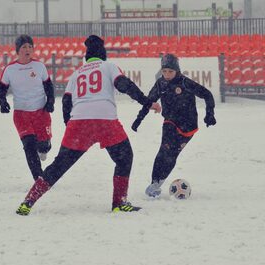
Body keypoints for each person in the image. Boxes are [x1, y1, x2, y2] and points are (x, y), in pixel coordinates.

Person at [16, 34, 161, 215]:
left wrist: (71, 126)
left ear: (87, 56)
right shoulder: (109, 66)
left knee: (58, 166)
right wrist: (147, 102)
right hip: (105, 120)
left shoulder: (76, 74)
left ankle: (28, 201)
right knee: (124, 158)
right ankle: (119, 203)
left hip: (79, 123)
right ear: (103, 54)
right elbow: (125, 85)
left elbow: (66, 103)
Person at [131, 53, 216, 198]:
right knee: (163, 150)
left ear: (177, 70)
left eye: (170, 71)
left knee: (172, 155)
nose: (167, 74)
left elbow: (207, 94)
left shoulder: (184, 82)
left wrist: (209, 114)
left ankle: (159, 182)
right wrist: (138, 120)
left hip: (188, 126)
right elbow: (149, 102)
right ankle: (154, 183)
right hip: (170, 122)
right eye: (164, 71)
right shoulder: (160, 84)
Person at [0, 34, 55, 181]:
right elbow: (2, 88)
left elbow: (48, 85)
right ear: (18, 50)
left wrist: (51, 101)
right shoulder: (10, 69)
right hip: (21, 113)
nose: (28, 49)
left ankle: (44, 147)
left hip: (41, 112)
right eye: (24, 47)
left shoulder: (39, 66)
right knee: (29, 146)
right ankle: (39, 178)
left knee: (43, 146)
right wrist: (2, 102)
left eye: (30, 46)